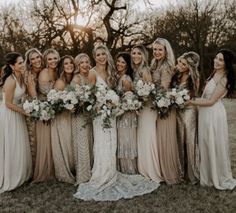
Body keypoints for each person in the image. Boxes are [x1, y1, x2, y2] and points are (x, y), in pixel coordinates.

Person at [74, 44, 158, 201]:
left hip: (112, 115)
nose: (101, 57)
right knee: (102, 143)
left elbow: (117, 92)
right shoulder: (92, 73)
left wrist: (114, 103)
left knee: (112, 143)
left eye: (103, 54)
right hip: (100, 115)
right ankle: (101, 174)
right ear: (94, 56)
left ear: (107, 55)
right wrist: (101, 102)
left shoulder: (111, 72)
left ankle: (111, 172)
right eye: (98, 54)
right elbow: (88, 96)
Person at [188, 49, 236, 190]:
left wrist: (190, 102)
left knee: (213, 143)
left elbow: (211, 101)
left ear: (226, 63)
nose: (216, 61)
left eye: (221, 60)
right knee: (205, 143)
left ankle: (216, 176)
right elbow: (205, 97)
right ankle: (207, 175)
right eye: (216, 58)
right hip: (205, 113)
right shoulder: (213, 74)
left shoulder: (224, 79)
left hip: (213, 114)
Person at [150, 37, 182, 184]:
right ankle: (161, 170)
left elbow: (163, 88)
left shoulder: (167, 66)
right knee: (159, 139)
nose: (157, 52)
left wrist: (147, 92)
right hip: (158, 105)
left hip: (165, 107)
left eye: (160, 49)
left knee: (165, 139)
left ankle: (170, 173)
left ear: (165, 51)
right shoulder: (155, 64)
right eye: (155, 49)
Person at [0, 52, 32, 193]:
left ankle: (21, 173)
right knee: (12, 143)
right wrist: (25, 111)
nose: (23, 64)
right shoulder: (10, 80)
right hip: (9, 115)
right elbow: (7, 103)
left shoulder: (21, 77)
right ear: (13, 66)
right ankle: (11, 175)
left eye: (23, 61)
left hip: (18, 113)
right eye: (19, 63)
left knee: (20, 142)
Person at [131, 45, 162, 183]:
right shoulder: (135, 70)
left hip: (148, 109)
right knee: (142, 138)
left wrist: (143, 97)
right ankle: (143, 169)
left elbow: (151, 91)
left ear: (143, 56)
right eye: (133, 53)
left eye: (139, 53)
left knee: (147, 137)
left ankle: (151, 170)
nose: (136, 56)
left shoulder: (145, 70)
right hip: (141, 109)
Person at [171, 51, 200, 184]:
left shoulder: (194, 78)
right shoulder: (177, 76)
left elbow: (192, 97)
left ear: (190, 66)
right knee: (179, 140)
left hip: (189, 112)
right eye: (180, 62)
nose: (180, 65)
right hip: (178, 113)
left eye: (184, 64)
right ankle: (181, 172)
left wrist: (182, 101)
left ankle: (192, 174)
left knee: (189, 141)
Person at [33, 48, 60, 182]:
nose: (53, 61)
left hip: (54, 108)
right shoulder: (44, 73)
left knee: (54, 139)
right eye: (50, 59)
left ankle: (56, 167)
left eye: (55, 58)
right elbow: (46, 94)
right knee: (46, 141)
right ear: (45, 60)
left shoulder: (57, 71)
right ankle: (46, 170)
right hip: (45, 110)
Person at [71, 53, 95, 185]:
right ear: (78, 65)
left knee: (90, 142)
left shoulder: (91, 76)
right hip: (80, 115)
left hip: (89, 115)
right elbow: (74, 99)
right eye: (82, 63)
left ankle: (91, 170)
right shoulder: (76, 78)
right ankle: (83, 175)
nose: (85, 65)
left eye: (86, 62)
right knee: (82, 144)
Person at [51, 55, 76, 184]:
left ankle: (73, 167)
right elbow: (54, 102)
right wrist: (66, 107)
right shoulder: (60, 81)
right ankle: (65, 170)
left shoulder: (74, 78)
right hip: (62, 118)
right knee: (65, 142)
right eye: (66, 63)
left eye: (71, 63)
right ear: (62, 66)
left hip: (72, 116)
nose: (69, 65)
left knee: (71, 142)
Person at [116, 52, 138, 174]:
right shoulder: (118, 76)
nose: (119, 64)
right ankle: (122, 168)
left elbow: (129, 100)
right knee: (121, 141)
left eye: (123, 62)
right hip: (119, 114)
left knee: (126, 141)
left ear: (127, 65)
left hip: (126, 116)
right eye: (118, 61)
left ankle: (129, 169)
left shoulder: (126, 79)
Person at [24, 48, 44, 171]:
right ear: (29, 62)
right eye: (33, 59)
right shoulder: (29, 74)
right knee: (33, 137)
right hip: (32, 107)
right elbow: (33, 96)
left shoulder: (42, 69)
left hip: (41, 103)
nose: (36, 60)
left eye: (37, 57)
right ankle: (34, 168)